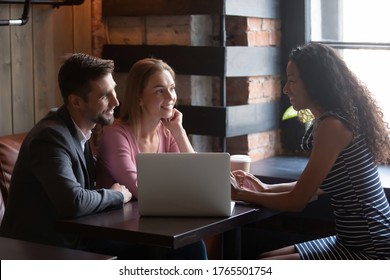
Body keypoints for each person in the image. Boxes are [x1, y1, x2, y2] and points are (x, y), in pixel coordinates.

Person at [231, 43, 390, 260]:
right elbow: (314, 188)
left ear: (315, 84)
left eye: (293, 81)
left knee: (263, 266)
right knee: (264, 259)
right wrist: (264, 187)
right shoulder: (336, 118)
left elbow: (298, 200)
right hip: (352, 241)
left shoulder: (332, 125)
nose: (286, 89)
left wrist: (241, 194)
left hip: (372, 250)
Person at [0, 53, 133, 256]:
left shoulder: (79, 130)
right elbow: (74, 202)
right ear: (76, 102)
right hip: (36, 252)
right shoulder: (50, 137)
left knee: (169, 248)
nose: (116, 101)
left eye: (114, 90)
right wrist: (118, 195)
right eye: (105, 95)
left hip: (73, 239)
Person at [95, 57, 207, 259]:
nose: (170, 96)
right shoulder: (115, 134)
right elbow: (138, 187)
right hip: (117, 231)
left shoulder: (166, 132)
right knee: (186, 245)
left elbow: (197, 177)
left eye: (172, 88)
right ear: (139, 97)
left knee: (191, 242)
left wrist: (179, 131)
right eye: (159, 91)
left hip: (154, 225)